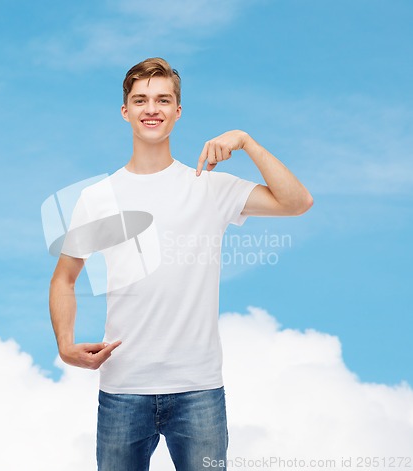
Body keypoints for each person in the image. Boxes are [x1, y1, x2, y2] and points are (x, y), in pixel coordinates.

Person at [49, 57, 313, 471]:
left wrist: (246, 141)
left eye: (162, 99)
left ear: (177, 111)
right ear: (125, 111)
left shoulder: (209, 187)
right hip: (123, 388)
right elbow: (64, 278)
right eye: (140, 100)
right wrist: (65, 346)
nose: (151, 108)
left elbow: (298, 203)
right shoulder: (98, 197)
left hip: (199, 390)